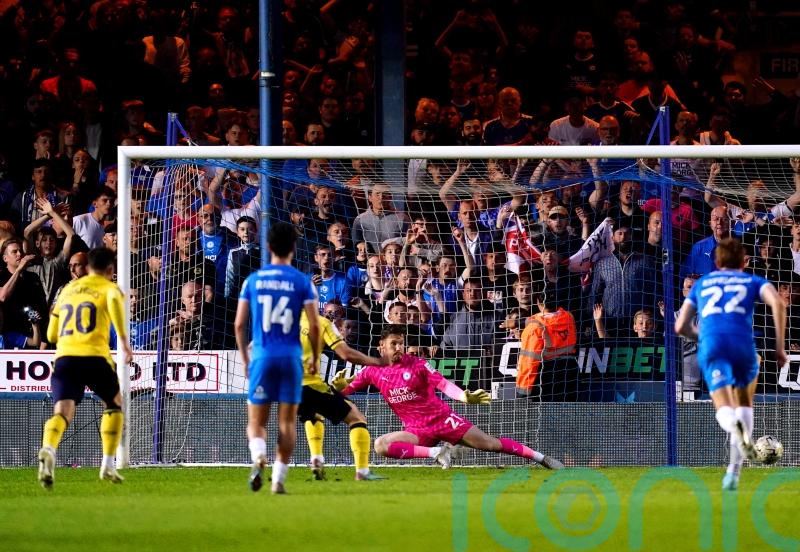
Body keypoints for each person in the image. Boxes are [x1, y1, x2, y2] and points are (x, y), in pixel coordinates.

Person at [333, 325, 563, 470]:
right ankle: (437, 452)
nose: (399, 347)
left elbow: (444, 385)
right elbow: (342, 393)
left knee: (490, 444)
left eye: (401, 343)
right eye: (394, 343)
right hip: (416, 430)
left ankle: (542, 458)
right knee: (381, 445)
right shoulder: (371, 370)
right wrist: (339, 387)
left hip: (443, 420)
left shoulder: (419, 364)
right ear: (381, 347)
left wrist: (464, 396)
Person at [675, 238, 787, 491]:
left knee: (724, 406)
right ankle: (733, 473)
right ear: (744, 262)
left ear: (716, 262)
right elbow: (779, 303)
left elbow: (680, 326)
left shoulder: (702, 283)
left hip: (713, 344)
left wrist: (701, 336)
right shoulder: (752, 281)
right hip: (743, 345)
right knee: (744, 403)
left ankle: (733, 442)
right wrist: (779, 347)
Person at [234, 221, 320, 494]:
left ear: (268, 246)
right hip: (291, 358)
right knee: (287, 422)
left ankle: (258, 455)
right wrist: (315, 357)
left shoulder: (253, 280)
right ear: (294, 248)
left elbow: (238, 324)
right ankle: (278, 480)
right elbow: (315, 325)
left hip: (262, 357)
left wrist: (246, 360)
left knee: (257, 423)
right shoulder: (302, 281)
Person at [38, 247, 133, 489]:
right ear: (110, 270)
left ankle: (49, 448)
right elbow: (114, 304)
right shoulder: (109, 288)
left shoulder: (68, 290)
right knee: (113, 404)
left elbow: (50, 334)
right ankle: (108, 464)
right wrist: (123, 342)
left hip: (65, 357)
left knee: (62, 413)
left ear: (88, 267)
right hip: (94, 356)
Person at [298, 311, 387, 481]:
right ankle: (362, 471)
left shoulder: (278, 320)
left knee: (313, 413)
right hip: (308, 382)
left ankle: (316, 458)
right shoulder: (320, 322)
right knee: (356, 417)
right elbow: (346, 354)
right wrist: (377, 361)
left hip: (283, 385)